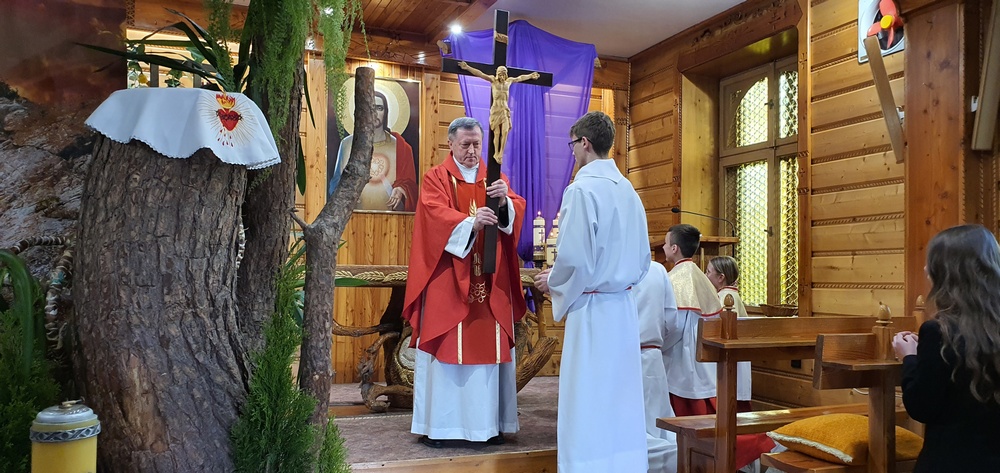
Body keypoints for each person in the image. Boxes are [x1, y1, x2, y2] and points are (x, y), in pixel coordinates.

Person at [534, 111, 651, 472]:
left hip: (593, 310)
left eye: (572, 145)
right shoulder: (628, 190)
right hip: (623, 309)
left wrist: (553, 281)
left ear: (584, 143)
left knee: (587, 396)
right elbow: (644, 259)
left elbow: (574, 258)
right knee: (620, 396)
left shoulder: (581, 190)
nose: (572, 152)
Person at [402, 116, 527, 447]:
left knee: (488, 350)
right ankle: (441, 428)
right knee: (447, 350)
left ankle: (488, 426)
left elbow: (515, 211)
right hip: (449, 280)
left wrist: (504, 203)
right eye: (465, 145)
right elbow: (433, 215)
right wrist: (471, 223)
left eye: (477, 145)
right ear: (451, 144)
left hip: (489, 279)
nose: (472, 151)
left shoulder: (495, 179)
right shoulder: (436, 177)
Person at [662, 225, 774, 471]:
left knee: (693, 420)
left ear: (675, 248)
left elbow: (674, 327)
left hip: (683, 359)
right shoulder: (699, 277)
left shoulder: (676, 279)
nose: (663, 247)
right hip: (702, 358)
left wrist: (659, 346)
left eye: (666, 243)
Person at [892, 224, 1000, 472]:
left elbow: (921, 406)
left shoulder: (939, 332)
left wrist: (909, 357)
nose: (925, 269)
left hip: (950, 462)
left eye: (932, 263)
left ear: (948, 273)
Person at [328, 90, 418, 211]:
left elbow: (411, 185)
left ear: (386, 112)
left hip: (392, 219)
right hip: (353, 217)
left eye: (379, 108)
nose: (374, 113)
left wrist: (402, 189)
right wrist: (346, 193)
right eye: (370, 107)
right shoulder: (347, 144)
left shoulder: (401, 147)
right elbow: (335, 183)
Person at [632, 261, 680, 472]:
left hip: (620, 357)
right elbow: (672, 320)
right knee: (658, 425)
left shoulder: (613, 267)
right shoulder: (658, 269)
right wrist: (658, 344)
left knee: (635, 428)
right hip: (652, 354)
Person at [457, 62, 539, 165]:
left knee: (505, 131)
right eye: (500, 74)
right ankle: (496, 153)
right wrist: (467, 67)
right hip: (496, 111)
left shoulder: (509, 81)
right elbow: (480, 74)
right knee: (497, 133)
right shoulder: (493, 81)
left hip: (504, 110)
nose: (502, 77)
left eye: (503, 75)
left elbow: (520, 78)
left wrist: (530, 76)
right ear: (497, 74)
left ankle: (500, 153)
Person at [705, 255, 753, 413]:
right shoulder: (731, 295)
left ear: (721, 277)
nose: (705, 275)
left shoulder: (724, 298)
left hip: (729, 358)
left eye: (708, 272)